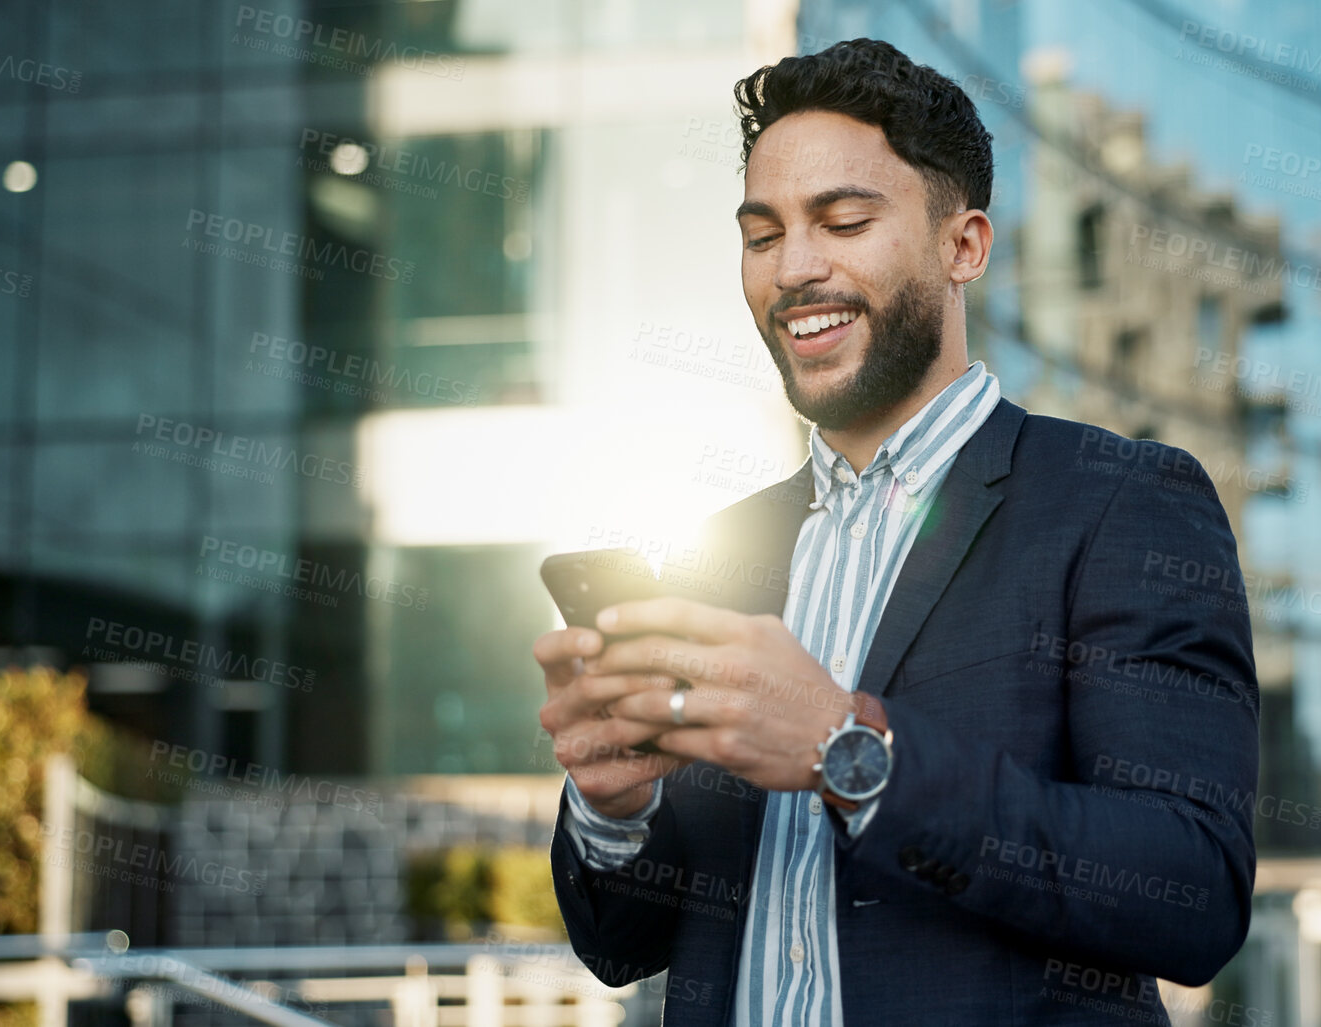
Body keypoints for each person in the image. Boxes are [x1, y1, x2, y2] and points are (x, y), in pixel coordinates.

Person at [533, 37, 1259, 1026]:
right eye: (763, 234)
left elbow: (1193, 889)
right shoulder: (722, 552)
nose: (795, 268)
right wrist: (617, 810)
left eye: (842, 221)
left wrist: (849, 749)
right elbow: (626, 944)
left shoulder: (1119, 501)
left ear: (963, 246)